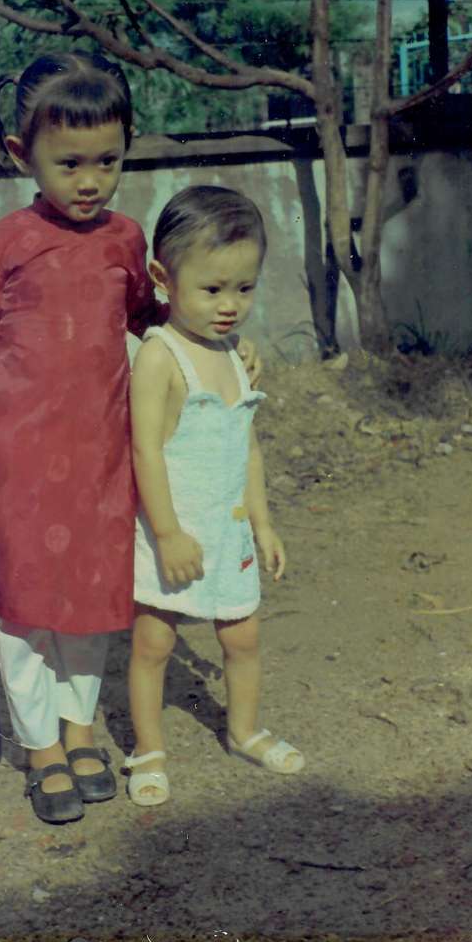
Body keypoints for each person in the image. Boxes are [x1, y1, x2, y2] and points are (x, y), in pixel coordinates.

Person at [0, 53, 261, 825]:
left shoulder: (126, 239)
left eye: (108, 161)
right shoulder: (2, 246)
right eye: (69, 164)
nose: (90, 181)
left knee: (93, 598)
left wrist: (225, 349)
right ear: (21, 155)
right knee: (25, 605)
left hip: (102, 458)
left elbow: (154, 320)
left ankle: (81, 729)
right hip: (17, 462)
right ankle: (40, 748)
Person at [123, 186, 304, 807]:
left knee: (242, 639)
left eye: (244, 288)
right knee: (154, 644)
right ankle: (149, 748)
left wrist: (264, 524)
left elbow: (245, 447)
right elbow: (145, 452)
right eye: (212, 289)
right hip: (172, 531)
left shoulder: (234, 354)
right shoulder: (160, 357)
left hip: (228, 532)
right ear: (163, 279)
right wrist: (168, 534)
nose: (230, 306)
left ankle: (244, 730)